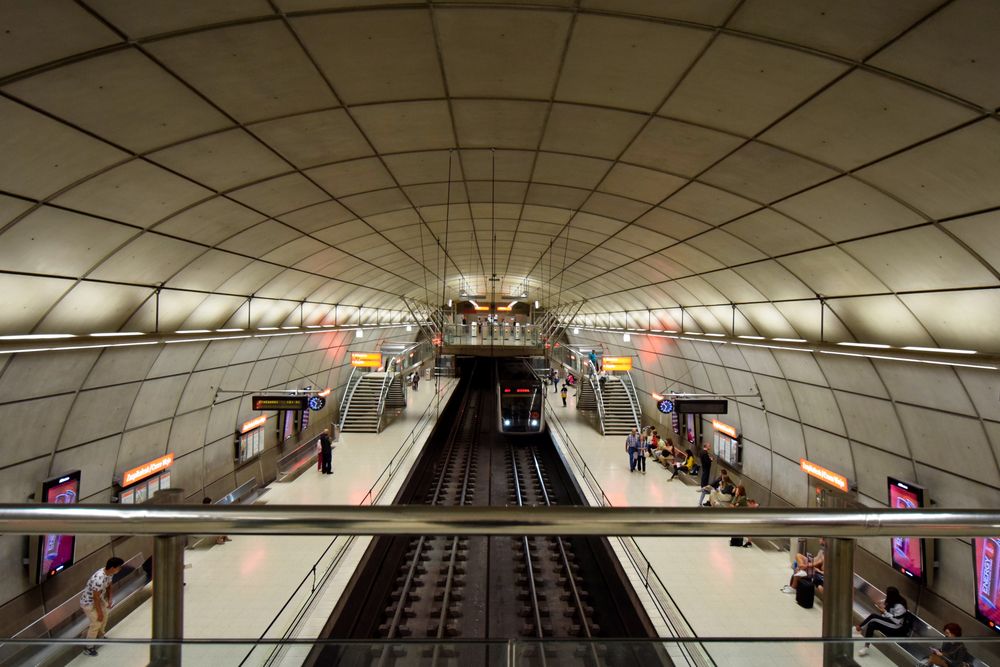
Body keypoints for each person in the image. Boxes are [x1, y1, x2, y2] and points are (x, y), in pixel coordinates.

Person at [80, 557, 125, 656]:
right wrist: (99, 613)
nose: (120, 569)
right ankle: (88, 647)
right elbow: (95, 597)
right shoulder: (99, 579)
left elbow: (109, 586)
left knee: (104, 617)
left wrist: (109, 599)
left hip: (99, 599)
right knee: (96, 622)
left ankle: (98, 635)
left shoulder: (110, 573)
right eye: (119, 567)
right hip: (88, 603)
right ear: (113, 567)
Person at [857, 587, 910, 656]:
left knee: (873, 616)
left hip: (895, 627)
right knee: (871, 625)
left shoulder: (900, 606)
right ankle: (866, 647)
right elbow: (884, 602)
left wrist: (885, 612)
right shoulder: (892, 601)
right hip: (889, 623)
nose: (887, 596)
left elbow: (897, 621)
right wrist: (880, 605)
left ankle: (859, 628)